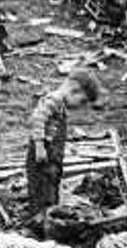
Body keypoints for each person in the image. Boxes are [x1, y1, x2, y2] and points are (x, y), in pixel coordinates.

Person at [27, 68, 102, 218]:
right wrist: (40, 146)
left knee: (51, 183)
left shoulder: (60, 105)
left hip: (52, 154)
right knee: (41, 185)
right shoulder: (53, 100)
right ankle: (39, 217)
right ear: (74, 90)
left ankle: (50, 212)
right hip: (44, 153)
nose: (80, 106)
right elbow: (37, 118)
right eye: (82, 101)